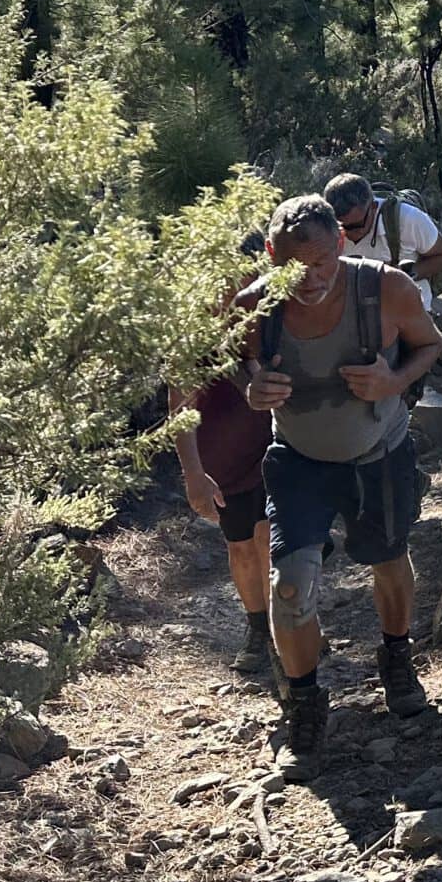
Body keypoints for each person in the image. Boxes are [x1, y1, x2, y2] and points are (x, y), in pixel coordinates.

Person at [241, 193, 442, 753]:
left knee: (388, 560)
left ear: (340, 243)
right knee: (290, 587)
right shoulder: (255, 307)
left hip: (378, 456)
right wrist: (254, 387)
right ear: (268, 254)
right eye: (292, 267)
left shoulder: (387, 290)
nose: (308, 280)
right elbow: (244, 363)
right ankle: (304, 704)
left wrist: (393, 381)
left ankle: (396, 655)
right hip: (299, 464)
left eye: (321, 263)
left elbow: (430, 344)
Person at [173, 229, 274, 677]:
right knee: (242, 546)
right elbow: (180, 407)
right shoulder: (192, 333)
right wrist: (193, 472)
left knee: (272, 539)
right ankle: (258, 629)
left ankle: (291, 620)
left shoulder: (274, 315)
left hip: (276, 448)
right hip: (224, 459)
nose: (240, 292)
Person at [324, 170, 442, 310]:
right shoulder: (322, 225)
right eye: (340, 226)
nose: (347, 233)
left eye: (356, 226)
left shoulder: (407, 218)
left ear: (373, 207)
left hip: (408, 311)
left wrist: (402, 274)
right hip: (354, 313)